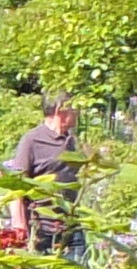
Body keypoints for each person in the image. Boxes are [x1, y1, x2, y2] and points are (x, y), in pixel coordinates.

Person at [5, 94, 86, 257]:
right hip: (42, 229)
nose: (77, 113)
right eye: (73, 108)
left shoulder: (71, 141)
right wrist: (19, 226)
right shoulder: (32, 140)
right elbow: (16, 186)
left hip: (71, 225)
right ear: (60, 110)